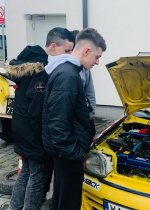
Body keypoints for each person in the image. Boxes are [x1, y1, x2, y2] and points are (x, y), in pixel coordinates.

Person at [7, 27, 74, 210]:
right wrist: (46, 140)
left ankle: (14, 207)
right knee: (37, 177)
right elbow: (38, 112)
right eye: (67, 51)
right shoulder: (41, 72)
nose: (70, 55)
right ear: (53, 46)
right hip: (34, 136)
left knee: (26, 173)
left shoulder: (28, 63)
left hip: (21, 131)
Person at [42, 28, 106, 210]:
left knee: (62, 198)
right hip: (68, 154)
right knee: (68, 202)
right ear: (86, 50)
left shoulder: (68, 71)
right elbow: (57, 121)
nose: (98, 62)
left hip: (65, 153)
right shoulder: (68, 75)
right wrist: (74, 152)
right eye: (96, 56)